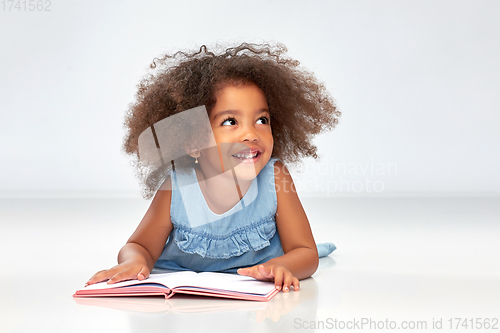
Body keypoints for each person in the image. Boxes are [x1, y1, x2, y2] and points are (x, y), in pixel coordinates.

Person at [86, 43, 340, 293]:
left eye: (262, 120)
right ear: (194, 142)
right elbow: (139, 245)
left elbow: (305, 253)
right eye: (230, 121)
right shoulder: (178, 187)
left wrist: (282, 265)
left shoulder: (275, 177)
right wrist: (135, 261)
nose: (251, 133)